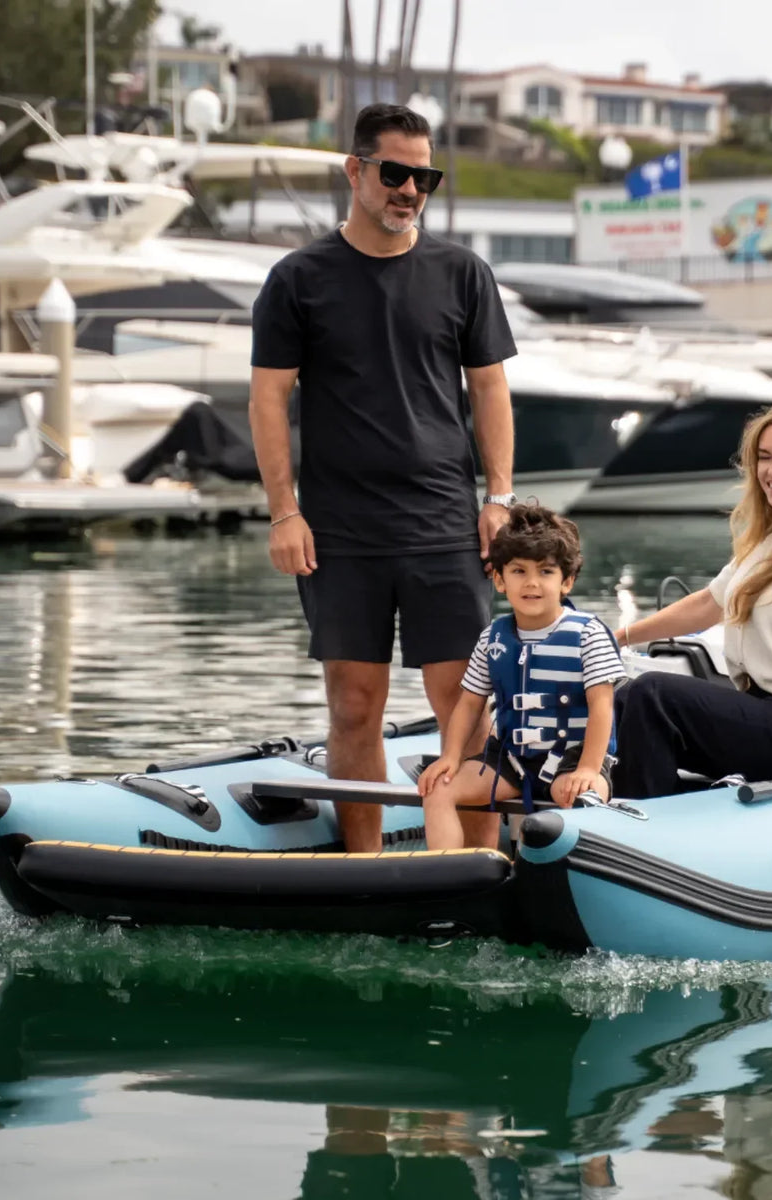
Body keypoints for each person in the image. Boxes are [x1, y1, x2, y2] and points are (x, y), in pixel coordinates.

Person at [249, 103, 517, 853]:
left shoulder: (462, 274)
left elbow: (489, 390)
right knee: (354, 707)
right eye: (394, 173)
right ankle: (362, 866)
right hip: (339, 530)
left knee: (463, 706)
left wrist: (498, 497)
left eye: (423, 176)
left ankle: (479, 863)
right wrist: (283, 511)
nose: (409, 190)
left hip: (443, 523)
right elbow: (268, 396)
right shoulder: (298, 279)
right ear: (355, 170)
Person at [611, 400, 772, 798]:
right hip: (758, 710)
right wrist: (619, 636)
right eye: (764, 457)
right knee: (623, 702)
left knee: (650, 696)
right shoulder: (769, 541)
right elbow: (709, 604)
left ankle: (644, 826)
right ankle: (641, 812)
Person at [418, 504, 625, 850]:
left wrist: (588, 768)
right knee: (439, 789)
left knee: (576, 794)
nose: (532, 583)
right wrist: (451, 757)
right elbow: (470, 704)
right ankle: (450, 875)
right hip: (511, 759)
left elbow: (602, 707)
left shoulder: (588, 634)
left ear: (567, 581)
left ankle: (563, 881)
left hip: (574, 756)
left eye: (546, 572)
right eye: (518, 571)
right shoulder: (492, 638)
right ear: (499, 580)